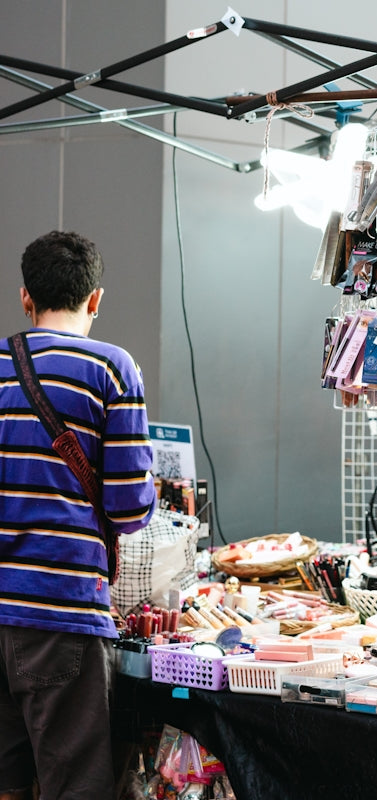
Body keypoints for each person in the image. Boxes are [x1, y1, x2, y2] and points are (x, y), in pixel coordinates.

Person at [0, 231, 156, 800]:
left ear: (25, 298)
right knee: (74, 789)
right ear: (95, 299)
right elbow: (129, 506)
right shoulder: (112, 369)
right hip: (58, 615)